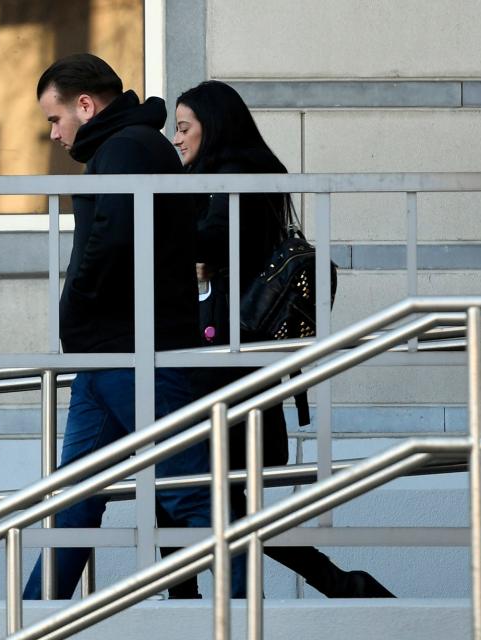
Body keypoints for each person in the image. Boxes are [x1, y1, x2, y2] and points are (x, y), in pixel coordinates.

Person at [163, 79, 394, 598]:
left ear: (212, 127)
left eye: (183, 127)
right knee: (204, 495)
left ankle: (196, 605)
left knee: (189, 493)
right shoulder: (235, 176)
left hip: (231, 361)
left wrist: (161, 216)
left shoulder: (235, 177)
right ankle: (340, 584)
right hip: (238, 359)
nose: (175, 139)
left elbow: (208, 241)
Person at [23, 53, 219, 600]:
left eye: (54, 119)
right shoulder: (126, 147)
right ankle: (34, 616)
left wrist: (76, 305)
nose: (54, 134)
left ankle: (245, 607)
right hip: (109, 351)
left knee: (185, 489)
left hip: (132, 349)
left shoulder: (127, 149)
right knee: (76, 497)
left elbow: (111, 241)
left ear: (85, 105)